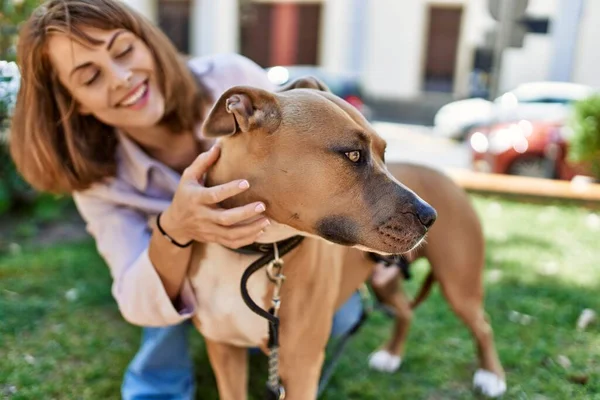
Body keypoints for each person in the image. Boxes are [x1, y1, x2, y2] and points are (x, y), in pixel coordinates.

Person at [9, 1, 363, 398]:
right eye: (90, 76)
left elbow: (318, 165)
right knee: (163, 310)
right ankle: (157, 385)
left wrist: (372, 243)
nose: (122, 78)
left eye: (124, 50)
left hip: (272, 259)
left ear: (147, 41)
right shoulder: (99, 180)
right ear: (72, 101)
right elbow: (138, 298)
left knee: (341, 314)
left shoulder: (231, 78)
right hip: (185, 278)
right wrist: (175, 227)